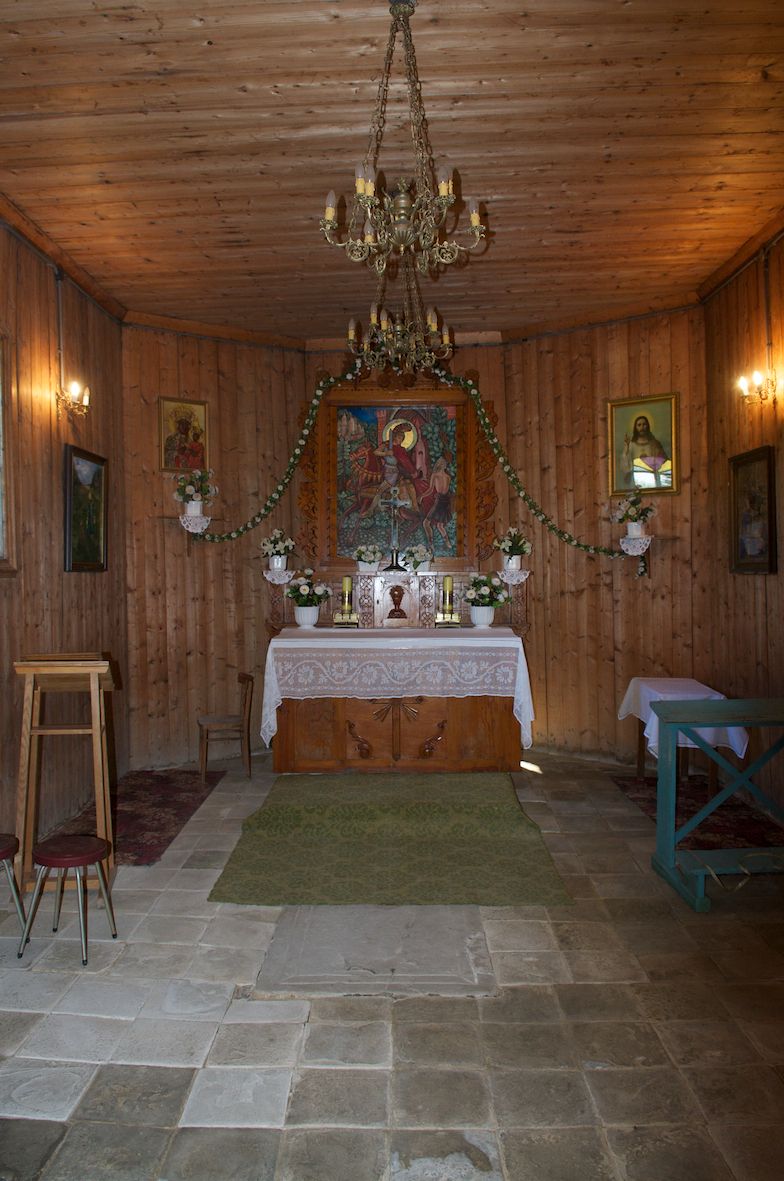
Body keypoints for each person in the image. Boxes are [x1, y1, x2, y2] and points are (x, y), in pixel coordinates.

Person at [621, 414, 668, 487]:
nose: (642, 427)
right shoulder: (631, 445)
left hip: (652, 479)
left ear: (647, 426)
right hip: (637, 480)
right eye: (639, 425)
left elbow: (663, 462)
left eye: (644, 424)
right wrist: (626, 448)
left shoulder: (654, 444)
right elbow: (626, 463)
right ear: (635, 427)